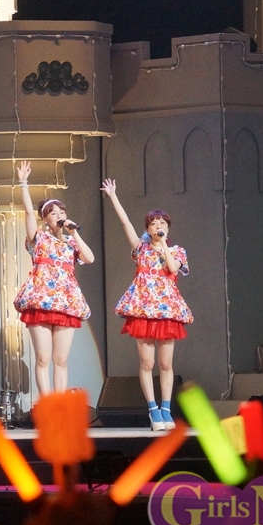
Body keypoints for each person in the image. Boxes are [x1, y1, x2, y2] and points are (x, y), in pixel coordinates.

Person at [101, 178, 192, 431]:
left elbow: (172, 268)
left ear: (168, 228)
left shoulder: (177, 251)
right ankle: (152, 410)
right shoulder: (140, 248)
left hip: (167, 311)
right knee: (147, 363)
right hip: (143, 309)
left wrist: (164, 246)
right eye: (154, 223)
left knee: (166, 364)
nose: (158, 226)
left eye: (162, 223)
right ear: (148, 229)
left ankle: (166, 409)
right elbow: (125, 223)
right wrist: (113, 196)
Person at [12, 161, 94, 396]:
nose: (59, 216)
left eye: (62, 212)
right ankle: (46, 404)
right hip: (40, 301)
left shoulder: (71, 242)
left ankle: (59, 405)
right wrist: (24, 183)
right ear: (45, 219)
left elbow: (89, 258)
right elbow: (28, 213)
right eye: (53, 213)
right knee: (43, 357)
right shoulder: (38, 238)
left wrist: (74, 233)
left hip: (66, 302)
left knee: (61, 360)